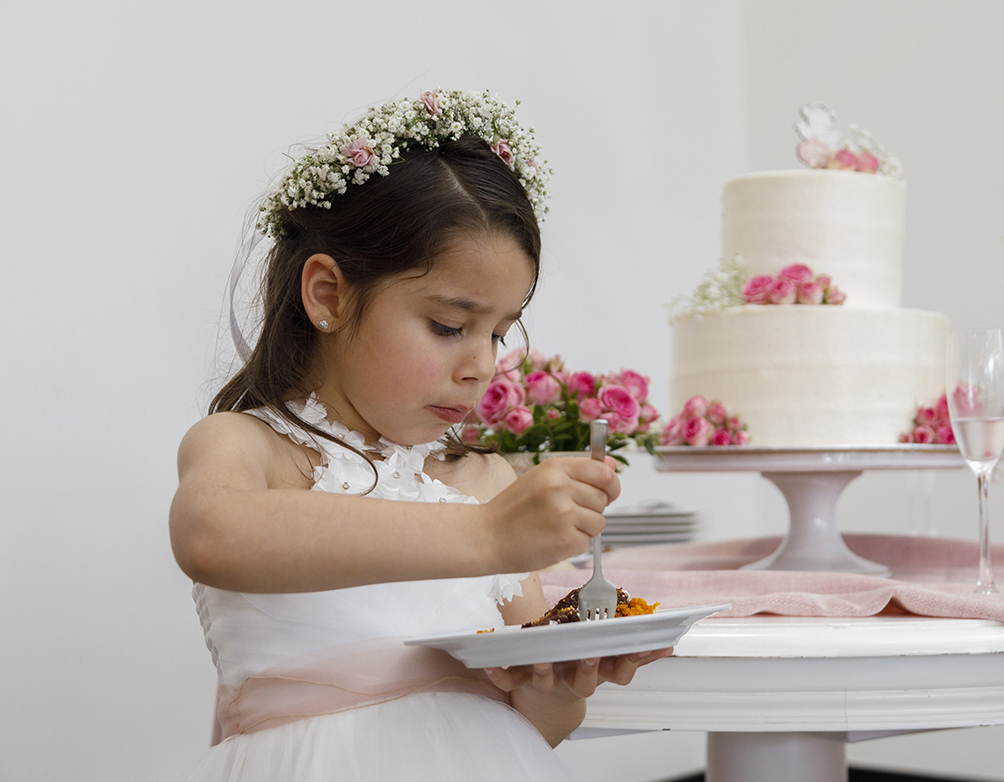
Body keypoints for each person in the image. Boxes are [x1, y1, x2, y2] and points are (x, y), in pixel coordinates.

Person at [170, 89, 670, 781]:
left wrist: (555, 686)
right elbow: (211, 537)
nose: (483, 367)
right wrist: (489, 536)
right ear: (329, 295)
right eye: (447, 326)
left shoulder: (486, 481)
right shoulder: (250, 446)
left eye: (499, 332)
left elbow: (538, 727)